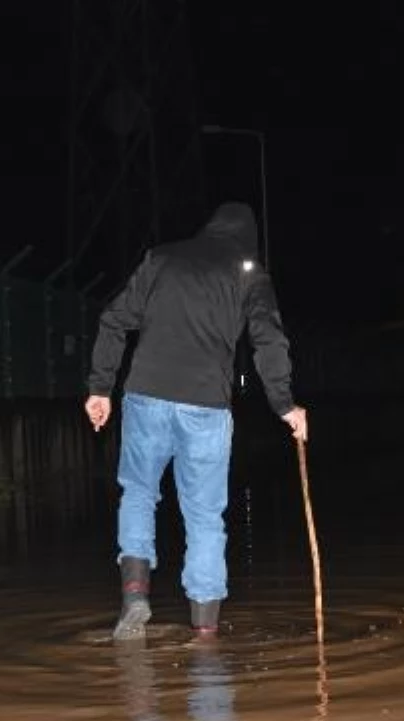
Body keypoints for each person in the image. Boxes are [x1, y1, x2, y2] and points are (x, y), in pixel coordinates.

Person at [84, 201, 308, 641]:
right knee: (205, 516)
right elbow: (268, 339)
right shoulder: (249, 273)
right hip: (206, 406)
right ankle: (205, 632)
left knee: (139, 492)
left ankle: (134, 592)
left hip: (146, 394)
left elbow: (113, 319)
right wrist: (285, 404)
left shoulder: (162, 257)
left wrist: (99, 387)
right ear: (248, 239)